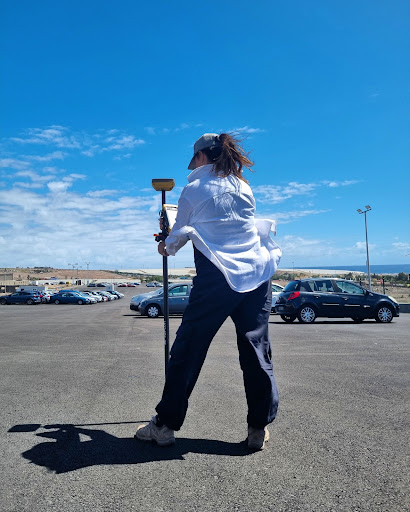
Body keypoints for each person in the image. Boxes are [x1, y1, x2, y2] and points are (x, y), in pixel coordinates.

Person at [135, 133, 282, 450]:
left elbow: (175, 241)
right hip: (257, 274)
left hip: (218, 276)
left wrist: (164, 243)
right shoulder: (243, 186)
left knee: (188, 350)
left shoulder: (194, 188)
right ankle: (258, 428)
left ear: (201, 157)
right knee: (256, 350)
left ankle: (164, 426)